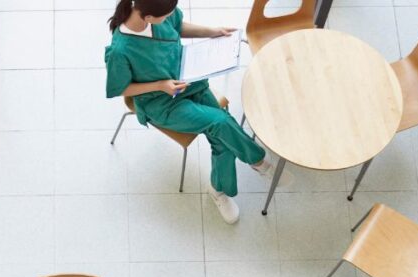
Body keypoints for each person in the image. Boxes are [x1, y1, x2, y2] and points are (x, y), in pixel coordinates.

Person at [104, 0, 286, 224]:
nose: (169, 17)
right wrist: (161, 85)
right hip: (161, 103)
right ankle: (258, 161)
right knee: (220, 122)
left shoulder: (156, 11)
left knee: (221, 133)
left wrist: (213, 32)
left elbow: (178, 25)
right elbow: (120, 88)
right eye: (165, 16)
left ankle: (218, 189)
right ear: (148, 18)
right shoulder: (121, 49)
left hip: (189, 81)